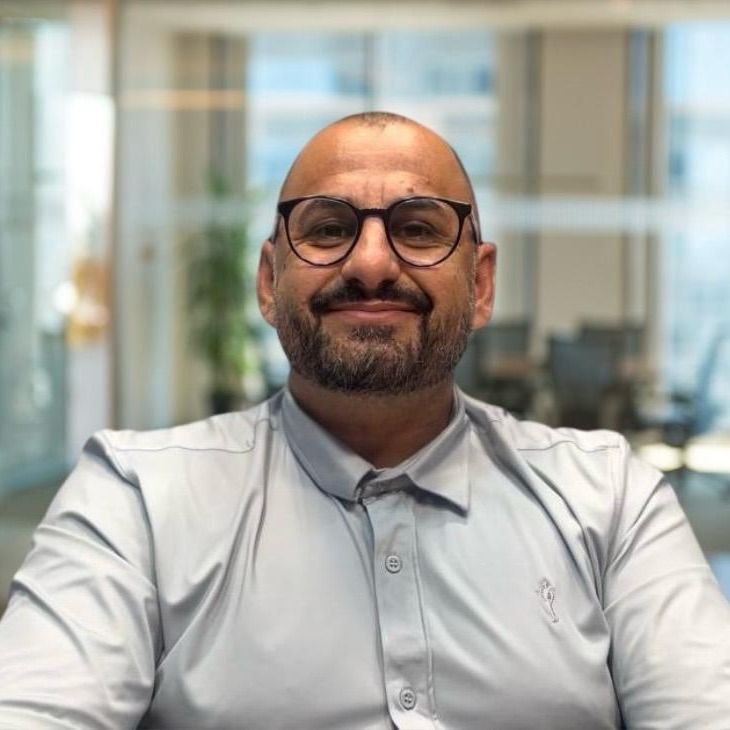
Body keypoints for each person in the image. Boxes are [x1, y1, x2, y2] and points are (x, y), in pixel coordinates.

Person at [0, 112, 728, 730]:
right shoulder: (136, 499)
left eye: (418, 229)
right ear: (268, 282)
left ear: (480, 284)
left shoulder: (611, 498)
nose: (372, 263)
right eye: (327, 229)